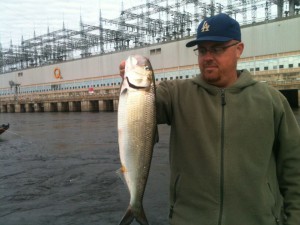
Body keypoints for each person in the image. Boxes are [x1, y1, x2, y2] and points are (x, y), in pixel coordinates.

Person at [119, 13, 300, 225]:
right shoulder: (176, 94)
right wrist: (131, 81)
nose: (207, 57)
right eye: (202, 50)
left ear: (239, 50)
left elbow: (294, 170)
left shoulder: (272, 102)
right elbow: (142, 110)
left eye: (217, 48)